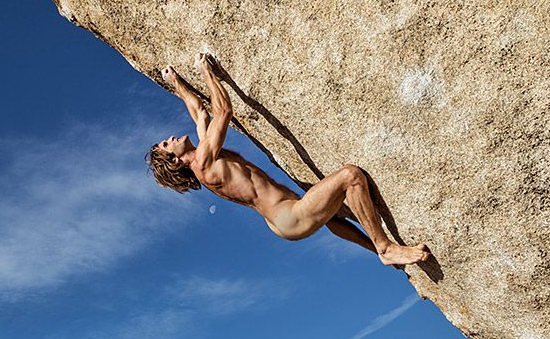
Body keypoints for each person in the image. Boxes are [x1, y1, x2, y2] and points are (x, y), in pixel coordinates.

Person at [146, 53, 429, 266]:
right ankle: (384, 248)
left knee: (331, 214)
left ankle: (379, 253)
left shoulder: (204, 152)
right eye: (166, 145)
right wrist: (207, 72)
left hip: (283, 218)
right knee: (350, 176)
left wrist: (176, 82)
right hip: (287, 216)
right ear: (175, 162)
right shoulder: (203, 163)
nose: (170, 138)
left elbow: (201, 113)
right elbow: (223, 112)